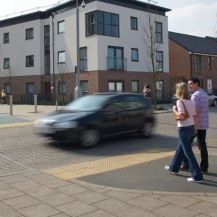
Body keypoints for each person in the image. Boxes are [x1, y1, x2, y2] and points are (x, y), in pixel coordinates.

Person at [165, 82, 203, 183]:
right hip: (191, 128)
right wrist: (195, 128)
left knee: (188, 152)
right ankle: (174, 168)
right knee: (180, 149)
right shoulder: (191, 101)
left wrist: (174, 110)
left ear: (179, 91)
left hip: (184, 129)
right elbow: (194, 116)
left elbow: (181, 116)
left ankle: (197, 176)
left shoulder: (179, 102)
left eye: (176, 89)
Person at [181, 78, 209, 173]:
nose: (189, 86)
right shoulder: (204, 94)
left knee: (186, 145)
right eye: (188, 84)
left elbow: (194, 113)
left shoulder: (195, 96)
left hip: (195, 125)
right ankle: (204, 167)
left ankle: (186, 165)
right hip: (203, 124)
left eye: (191, 84)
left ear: (197, 83)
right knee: (202, 146)